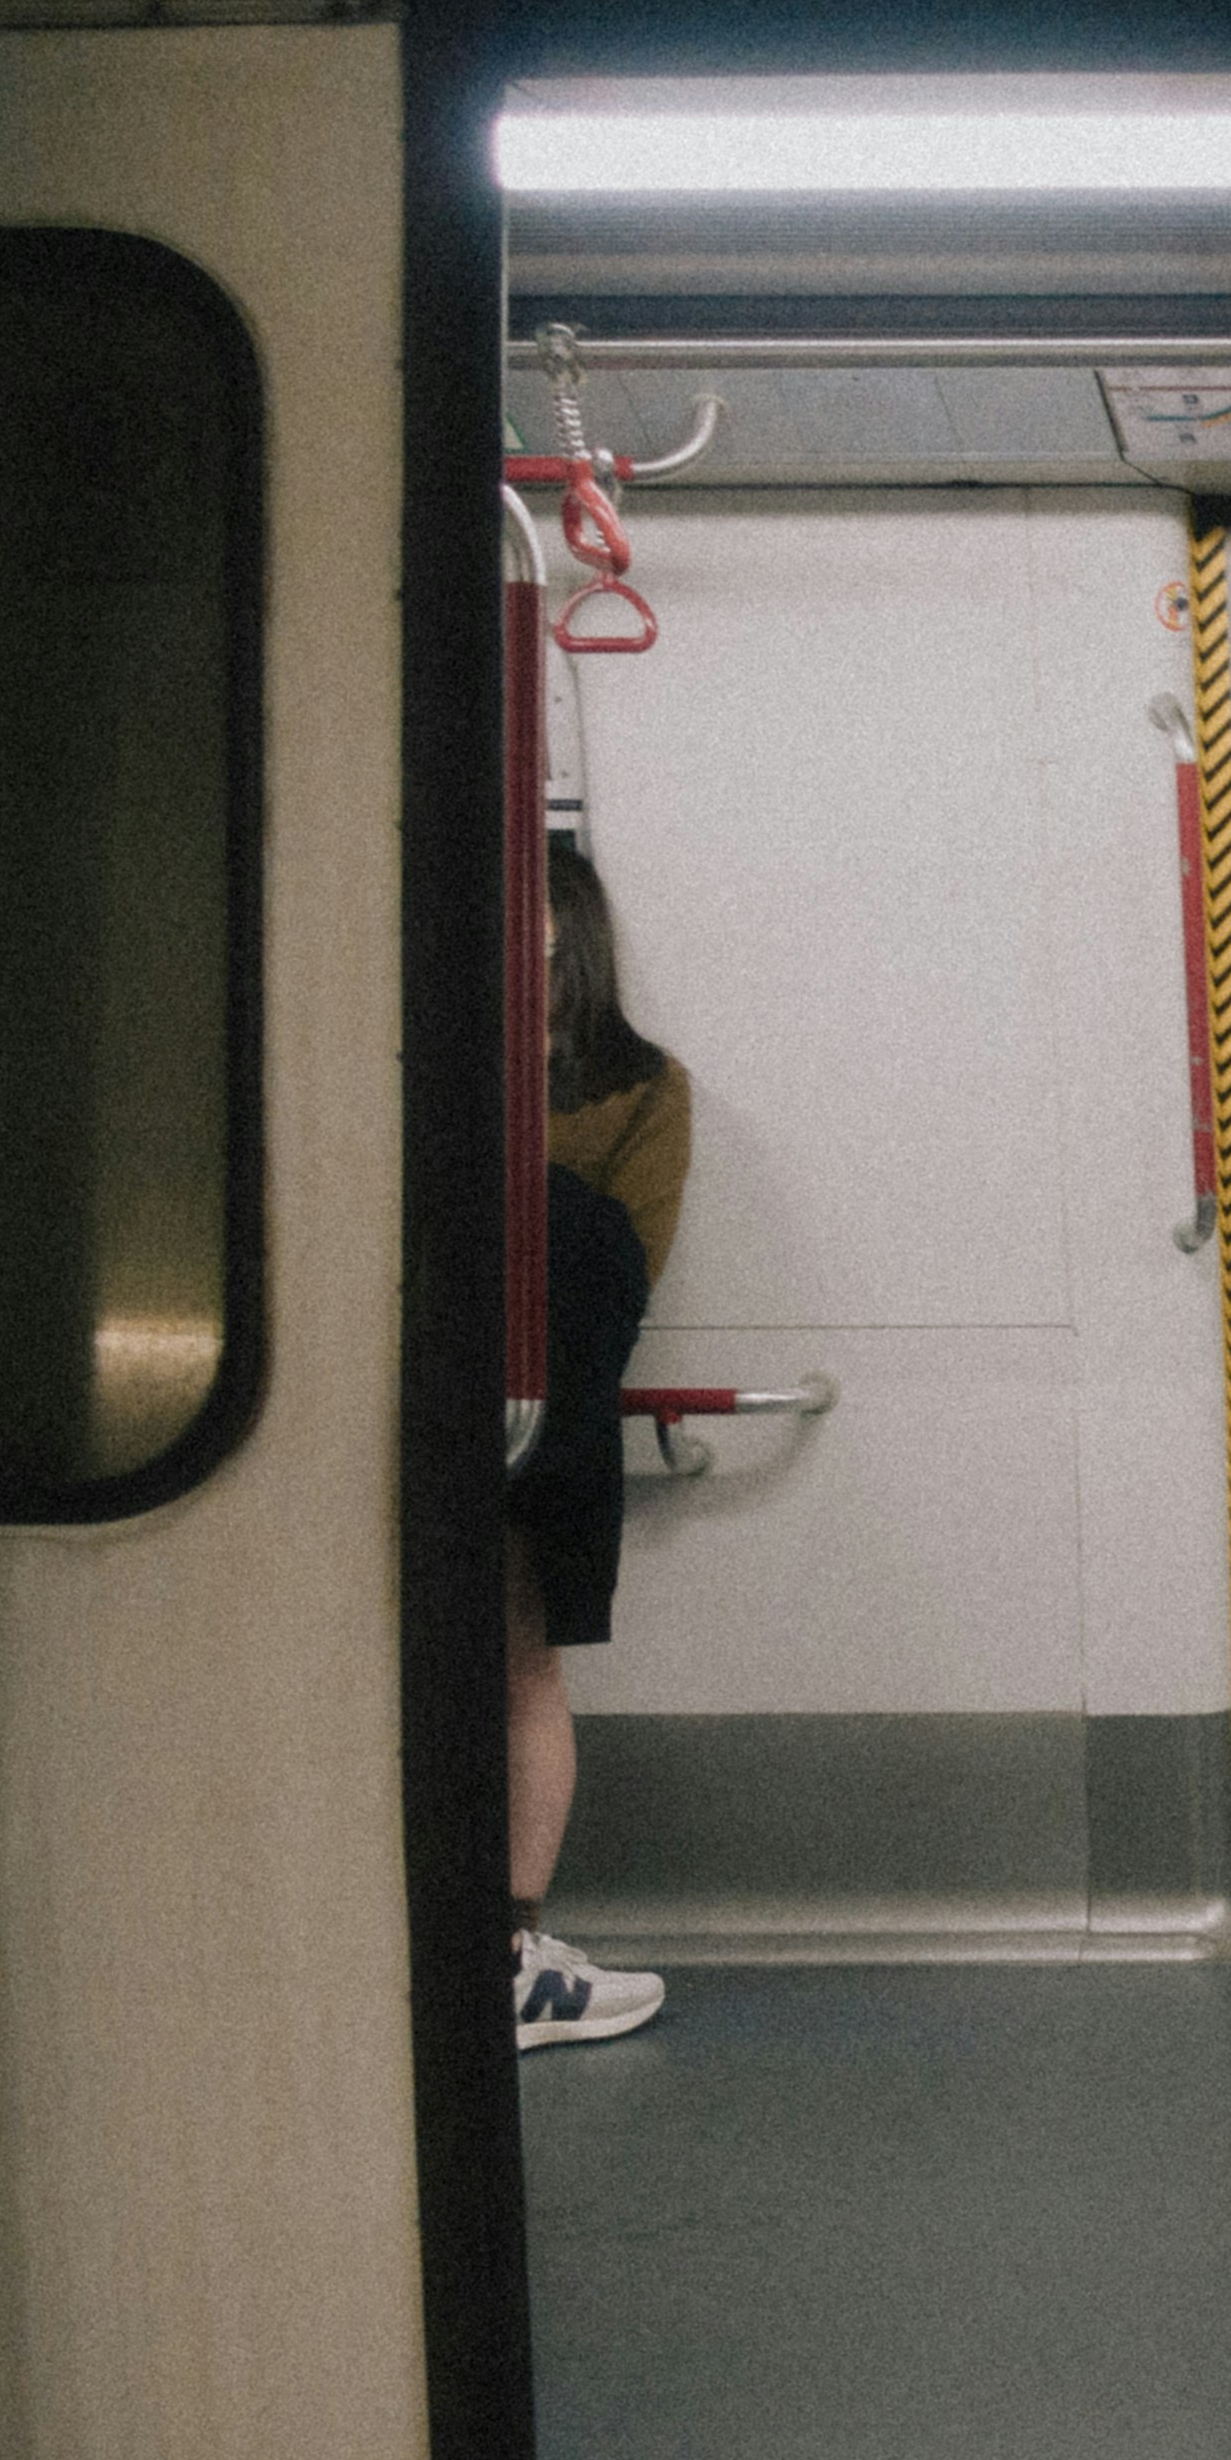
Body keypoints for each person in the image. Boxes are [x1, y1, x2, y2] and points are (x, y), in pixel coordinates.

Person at [513, 837, 691, 2050]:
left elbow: (619, 1276)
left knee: (523, 1670)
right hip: (408, 1409)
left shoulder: (640, 1090)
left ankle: (509, 1938)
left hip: (546, 1414)